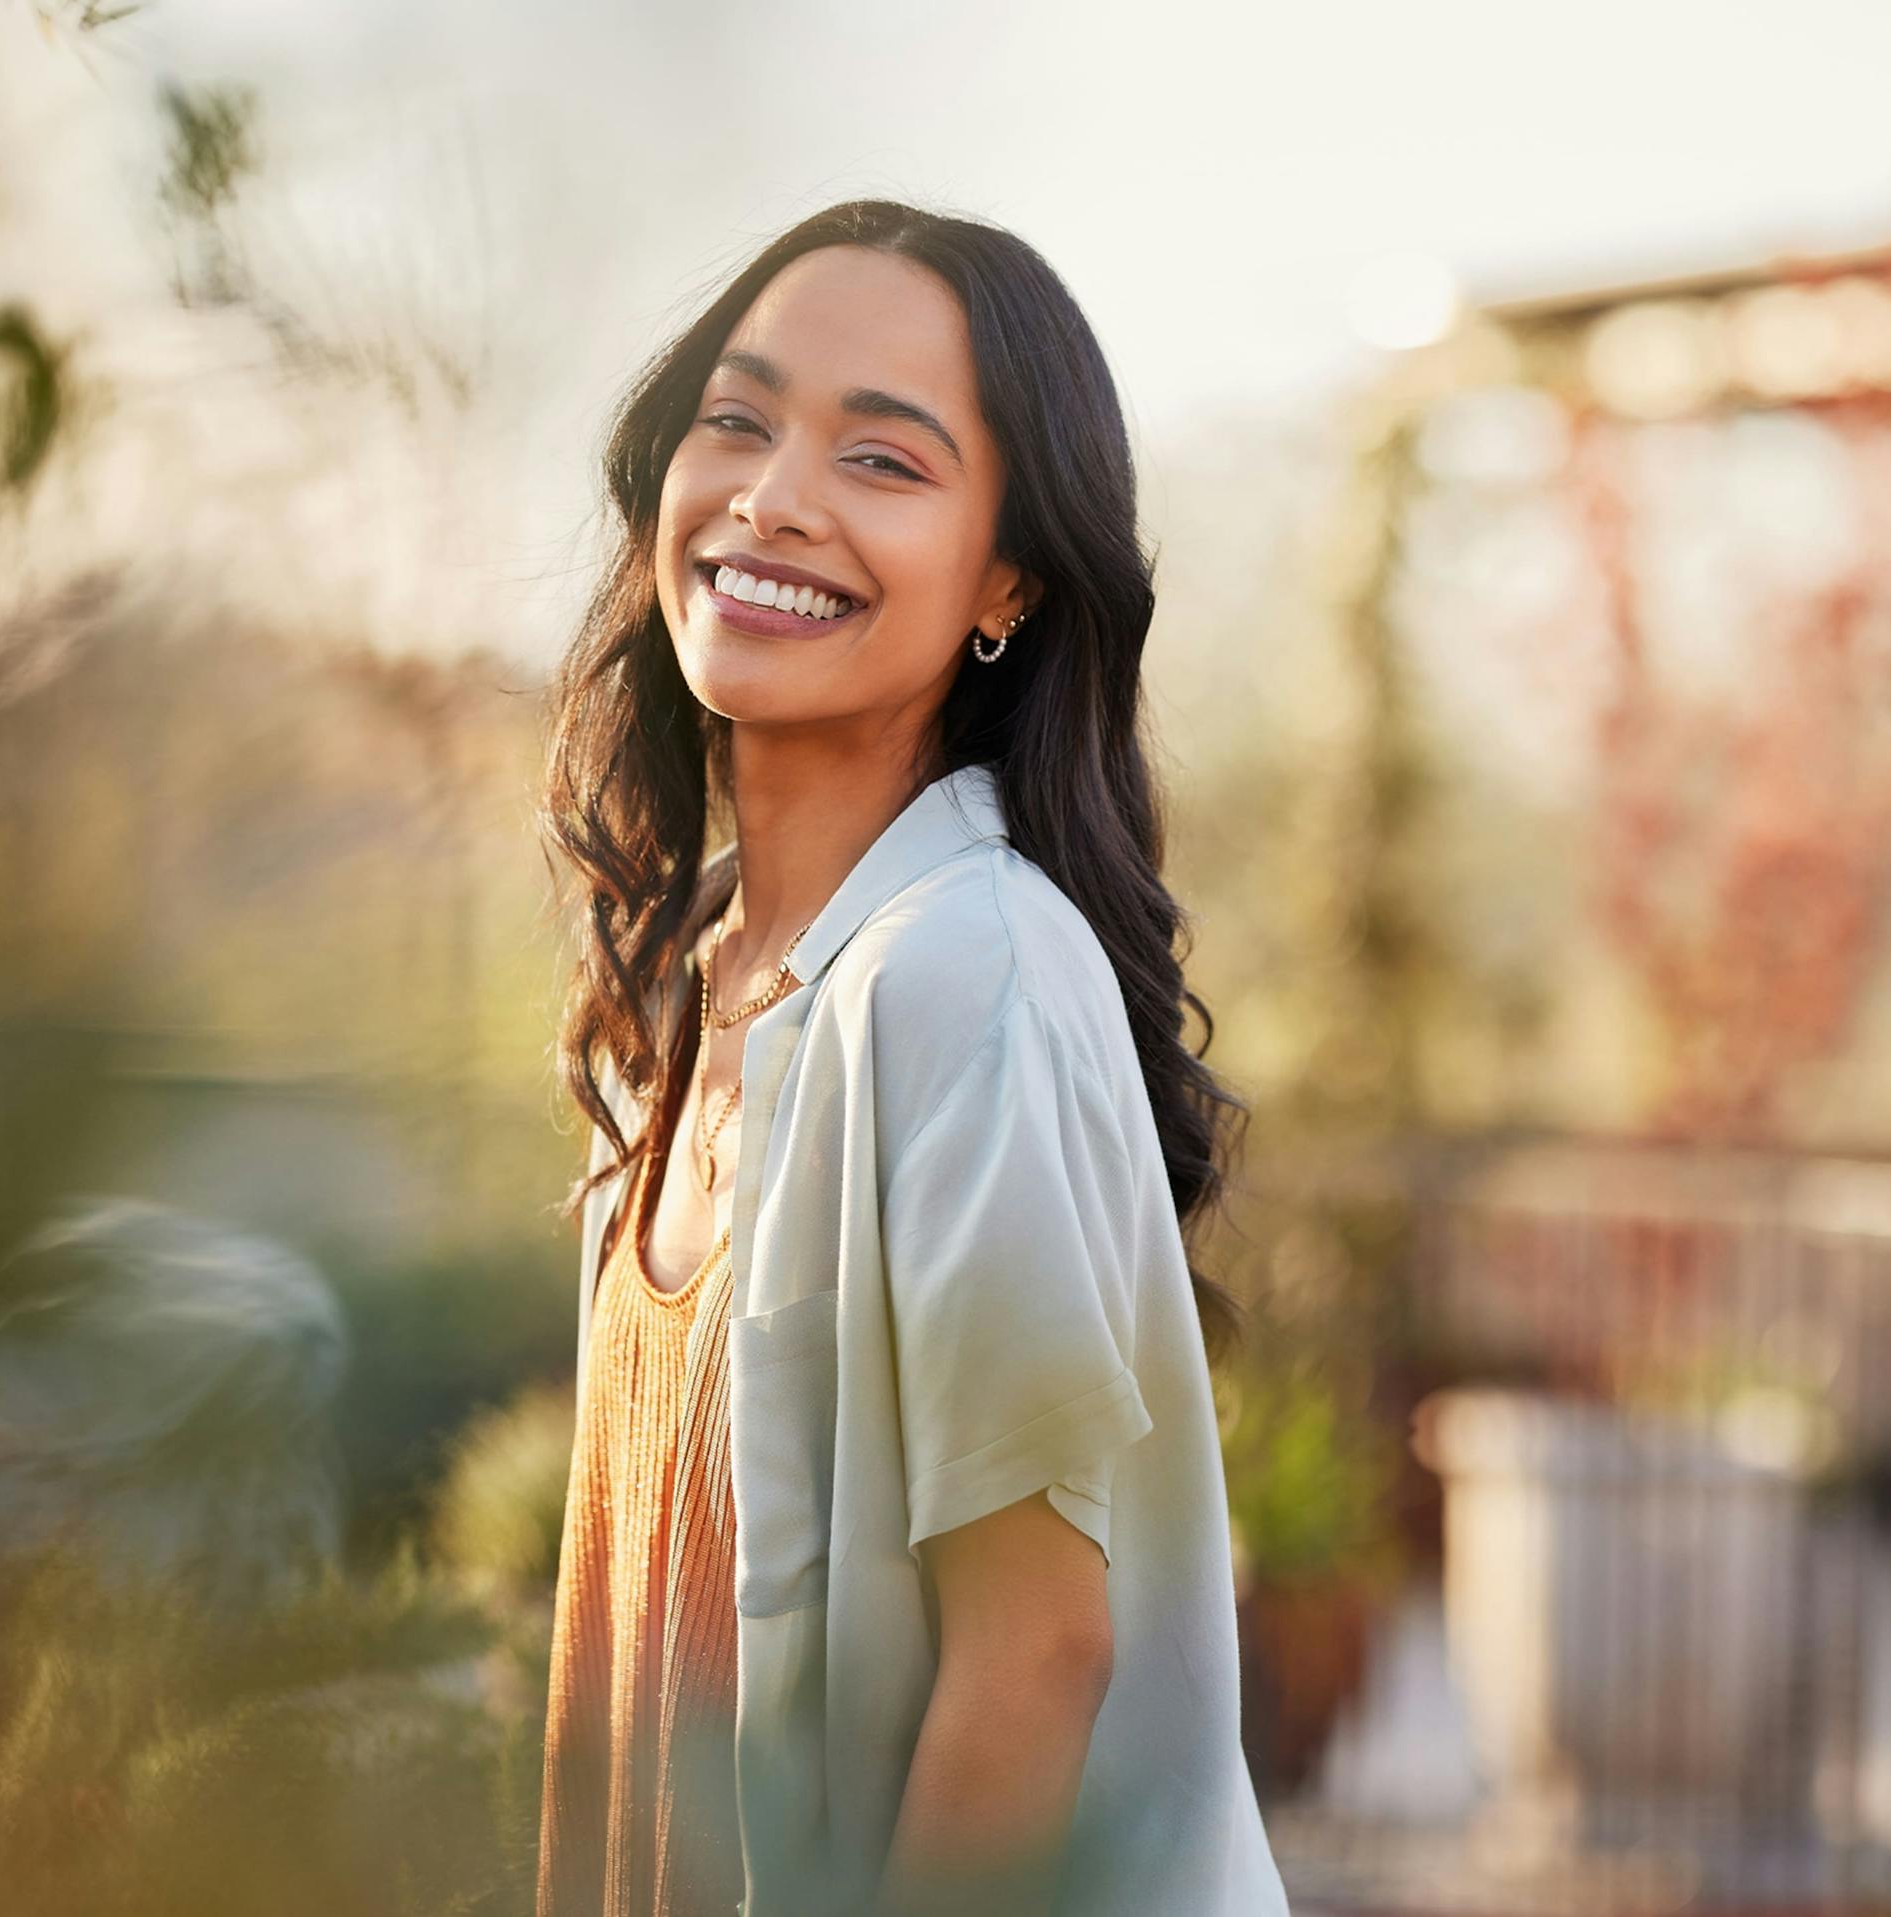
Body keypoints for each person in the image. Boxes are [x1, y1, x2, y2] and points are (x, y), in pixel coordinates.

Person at [534, 197, 1292, 1917]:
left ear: (1008, 579)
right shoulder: (685, 989)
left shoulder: (971, 969)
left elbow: (1032, 1659)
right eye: (737, 419)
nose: (774, 495)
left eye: (883, 459)